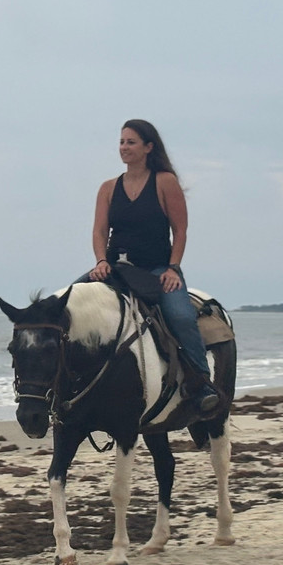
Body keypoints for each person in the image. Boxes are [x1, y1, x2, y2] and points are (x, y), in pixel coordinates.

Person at [86, 119, 220, 413]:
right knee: (70, 306)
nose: (124, 148)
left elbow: (180, 230)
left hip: (158, 269)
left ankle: (201, 384)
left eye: (131, 142)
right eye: (121, 142)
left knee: (182, 317)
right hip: (116, 268)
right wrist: (100, 261)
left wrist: (173, 268)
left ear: (148, 147)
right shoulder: (108, 188)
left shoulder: (164, 182)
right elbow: (99, 232)